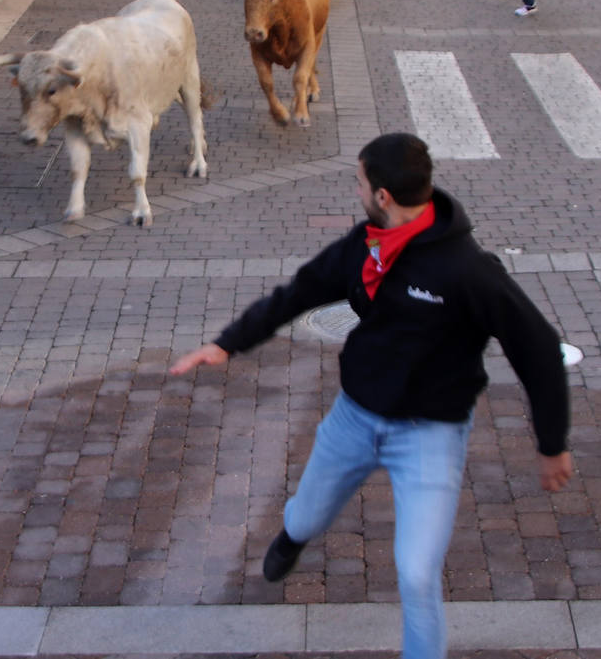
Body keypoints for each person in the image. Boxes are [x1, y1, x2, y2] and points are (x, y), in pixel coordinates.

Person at [171, 132, 572, 659]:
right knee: (305, 517)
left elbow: (538, 348)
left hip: (431, 435)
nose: (356, 191)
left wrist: (552, 443)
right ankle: (292, 539)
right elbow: (299, 292)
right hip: (354, 421)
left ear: (383, 195)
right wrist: (229, 343)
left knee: (418, 571)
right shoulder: (365, 246)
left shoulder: (468, 271)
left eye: (359, 181)